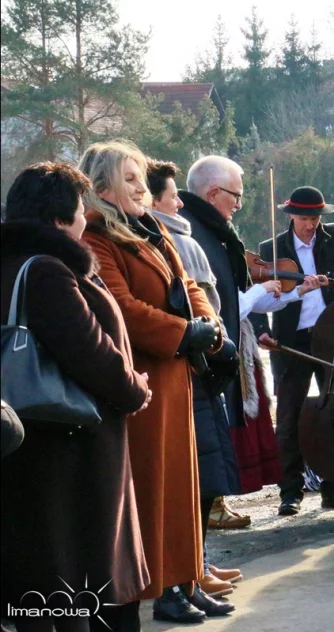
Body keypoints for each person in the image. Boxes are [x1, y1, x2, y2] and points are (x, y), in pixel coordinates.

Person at [79, 140, 233, 623]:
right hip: (145, 379)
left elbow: (189, 284)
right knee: (156, 488)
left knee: (185, 485)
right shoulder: (98, 238)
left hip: (178, 373)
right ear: (101, 188)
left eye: (141, 176)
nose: (142, 187)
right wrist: (183, 332)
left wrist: (209, 325)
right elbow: (121, 307)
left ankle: (186, 580)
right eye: (129, 178)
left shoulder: (149, 230)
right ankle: (163, 588)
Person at [1, 162, 150, 632]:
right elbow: (91, 353)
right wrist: (135, 388)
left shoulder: (13, 263)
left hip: (23, 440)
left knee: (39, 581)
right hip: (68, 447)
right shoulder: (47, 269)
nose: (87, 219)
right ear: (63, 218)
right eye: (82, 210)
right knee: (72, 578)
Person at [145, 158, 244, 598]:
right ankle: (185, 573)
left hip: (202, 358)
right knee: (194, 477)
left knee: (202, 473)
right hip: (188, 365)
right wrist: (205, 336)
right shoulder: (174, 237)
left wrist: (214, 331)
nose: (178, 205)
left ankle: (194, 566)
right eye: (172, 197)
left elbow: (203, 297)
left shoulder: (181, 235)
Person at [252, 185, 334, 516]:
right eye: (304, 218)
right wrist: (262, 332)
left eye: (314, 218)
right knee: (289, 417)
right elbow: (256, 295)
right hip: (291, 341)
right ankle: (290, 491)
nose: (310, 225)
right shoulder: (272, 247)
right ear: (291, 215)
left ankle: (333, 486)